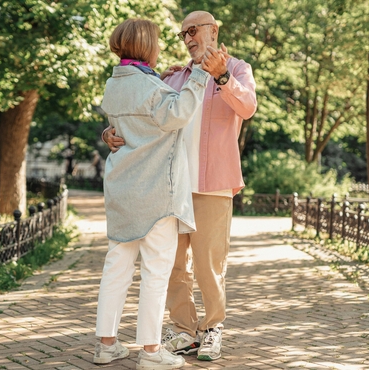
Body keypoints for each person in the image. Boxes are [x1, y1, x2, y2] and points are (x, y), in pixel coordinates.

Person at [104, 11, 257, 362]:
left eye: (193, 31)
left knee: (208, 263)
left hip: (214, 182)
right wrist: (109, 133)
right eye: (182, 34)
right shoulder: (171, 77)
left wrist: (221, 78)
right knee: (173, 264)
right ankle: (184, 331)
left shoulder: (237, 69)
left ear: (213, 31)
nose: (187, 38)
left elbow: (247, 108)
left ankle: (212, 328)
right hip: (170, 183)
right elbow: (142, 115)